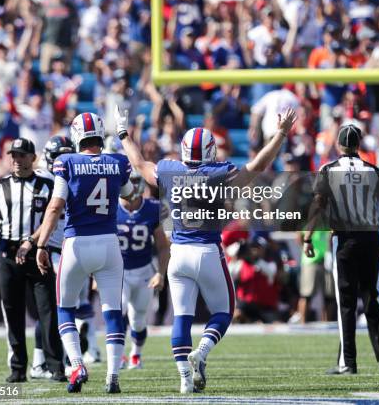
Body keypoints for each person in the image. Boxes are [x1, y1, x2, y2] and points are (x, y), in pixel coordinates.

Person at [115, 105, 297, 394]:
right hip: (208, 251)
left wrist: (123, 133)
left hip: (178, 255)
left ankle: (185, 380)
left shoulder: (170, 170)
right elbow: (258, 166)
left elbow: (139, 164)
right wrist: (281, 134)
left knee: (182, 317)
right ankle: (202, 350)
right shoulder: (218, 174)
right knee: (224, 311)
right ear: (210, 152)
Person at [35, 112, 133, 394]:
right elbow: (131, 195)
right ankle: (113, 375)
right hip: (108, 243)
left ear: (77, 135)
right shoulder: (117, 162)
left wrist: (41, 244)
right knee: (113, 311)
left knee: (65, 307)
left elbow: (54, 208)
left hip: (77, 243)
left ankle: (77, 365)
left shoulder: (67, 162)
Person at [304, 124, 379, 375]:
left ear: (339, 145)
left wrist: (308, 237)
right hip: (371, 238)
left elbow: (318, 204)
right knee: (370, 296)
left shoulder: (329, 170)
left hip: (346, 239)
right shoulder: (372, 170)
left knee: (347, 302)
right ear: (358, 145)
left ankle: (348, 362)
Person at [0, 137, 65, 383]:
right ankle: (18, 367)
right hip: (7, 253)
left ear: (33, 158)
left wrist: (32, 241)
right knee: (12, 312)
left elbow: (53, 217)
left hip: (37, 252)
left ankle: (55, 366)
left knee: (48, 310)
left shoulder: (46, 183)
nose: (17, 160)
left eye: (22, 155)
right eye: (14, 155)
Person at [30, 134, 75, 379]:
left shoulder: (68, 176)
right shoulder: (45, 180)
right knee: (53, 309)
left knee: (59, 308)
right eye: (59, 156)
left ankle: (50, 359)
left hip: (64, 248)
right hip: (50, 250)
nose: (63, 160)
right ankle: (42, 361)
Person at [117, 170, 170, 369]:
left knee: (138, 319)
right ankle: (119, 353)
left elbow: (163, 247)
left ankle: (136, 354)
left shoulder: (152, 209)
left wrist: (160, 273)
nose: (132, 185)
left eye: (135, 181)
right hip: (118, 272)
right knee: (118, 309)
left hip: (144, 271)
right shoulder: (110, 208)